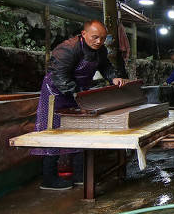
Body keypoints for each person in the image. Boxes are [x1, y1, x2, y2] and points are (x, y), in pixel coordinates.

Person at [32, 20, 125, 190]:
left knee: (80, 130)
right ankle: (49, 179)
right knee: (53, 132)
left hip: (78, 93)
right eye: (95, 37)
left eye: (102, 39)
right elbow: (59, 76)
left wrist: (113, 77)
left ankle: (79, 174)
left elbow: (106, 66)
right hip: (56, 93)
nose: (98, 42)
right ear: (84, 34)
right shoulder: (67, 49)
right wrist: (76, 94)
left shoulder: (100, 50)